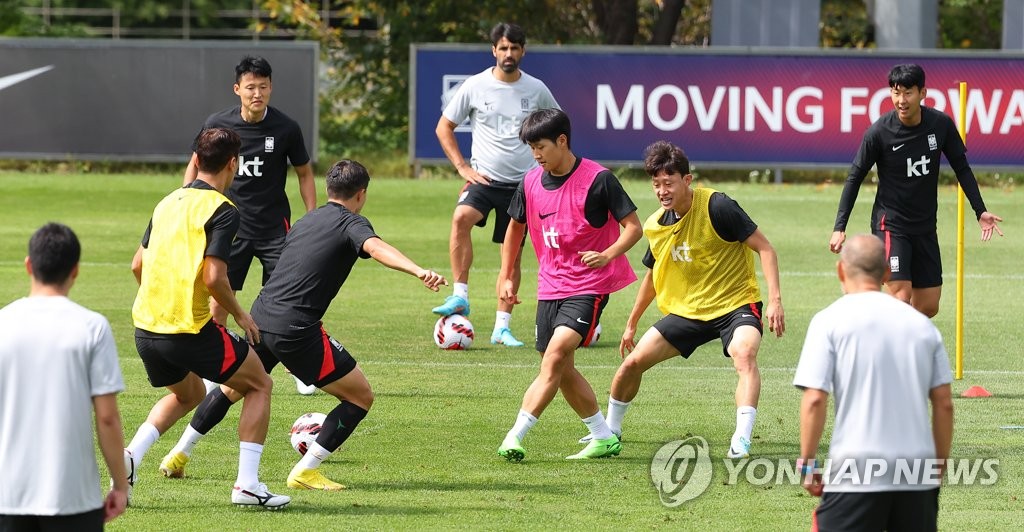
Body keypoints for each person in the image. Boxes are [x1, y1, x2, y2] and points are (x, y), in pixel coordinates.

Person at [158, 160, 447, 491]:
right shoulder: (352, 223)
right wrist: (418, 270)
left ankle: (178, 455)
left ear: (328, 190)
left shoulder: (307, 220)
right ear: (362, 194)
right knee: (360, 397)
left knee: (232, 388)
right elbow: (376, 247)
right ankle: (306, 471)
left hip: (261, 316)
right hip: (296, 330)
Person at [124, 128, 289, 510]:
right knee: (259, 384)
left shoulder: (166, 202)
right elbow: (214, 278)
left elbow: (137, 264)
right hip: (189, 331)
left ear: (195, 160)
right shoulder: (223, 210)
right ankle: (247, 485)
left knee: (191, 393)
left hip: (146, 330)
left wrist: (159, 298)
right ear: (234, 164)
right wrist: (242, 315)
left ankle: (131, 456)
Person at [590, 140, 785, 459]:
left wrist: (775, 300)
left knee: (744, 353)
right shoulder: (655, 225)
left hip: (735, 305)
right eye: (656, 184)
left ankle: (742, 437)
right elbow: (653, 276)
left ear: (687, 180)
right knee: (632, 364)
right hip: (688, 311)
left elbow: (766, 248)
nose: (662, 190)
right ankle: (610, 432)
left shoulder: (717, 206)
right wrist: (631, 323)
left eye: (669, 182)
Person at [496, 108, 641, 461]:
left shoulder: (599, 179)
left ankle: (515, 435)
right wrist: (506, 274)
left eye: (541, 146)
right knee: (560, 369)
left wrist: (608, 254)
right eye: (531, 147)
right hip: (550, 285)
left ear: (562, 141)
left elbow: (634, 228)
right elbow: (515, 228)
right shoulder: (530, 182)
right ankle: (603, 436)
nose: (536, 155)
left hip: (590, 284)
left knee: (556, 356)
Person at [795, 234, 954, 530]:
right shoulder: (921, 326)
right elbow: (944, 403)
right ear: (886, 273)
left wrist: (807, 463)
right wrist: (938, 467)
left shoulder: (829, 321)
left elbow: (815, 398)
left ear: (841, 271)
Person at [184, 56, 317, 394]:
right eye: (250, 87)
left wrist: (313, 215)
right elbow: (196, 164)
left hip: (275, 228)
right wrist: (186, 200)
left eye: (263, 87)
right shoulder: (219, 124)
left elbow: (304, 173)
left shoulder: (287, 128)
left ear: (270, 87)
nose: (257, 93)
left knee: (290, 301)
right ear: (237, 89)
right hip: (230, 226)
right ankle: (219, 366)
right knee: (218, 298)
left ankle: (301, 366)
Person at [830, 63, 1003, 318]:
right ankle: (886, 346)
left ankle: (884, 324)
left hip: (924, 226)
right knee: (900, 298)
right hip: (891, 225)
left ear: (923, 93)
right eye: (895, 92)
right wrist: (839, 226)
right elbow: (855, 177)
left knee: (928, 307)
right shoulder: (879, 132)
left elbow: (962, 169)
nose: (901, 100)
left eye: (908, 93)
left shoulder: (940, 124)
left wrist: (980, 211)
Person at [433, 22, 560, 348]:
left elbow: (559, 126)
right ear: (494, 50)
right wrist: (462, 167)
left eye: (514, 48)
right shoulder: (475, 86)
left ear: (522, 51)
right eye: (503, 48)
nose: (508, 53)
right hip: (484, 178)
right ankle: (460, 295)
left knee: (512, 254)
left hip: (523, 185)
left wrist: (548, 170)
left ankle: (502, 327)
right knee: (461, 218)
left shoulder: (537, 89)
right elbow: (444, 127)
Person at [0, 223, 129, 530]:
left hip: (7, 493)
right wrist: (121, 486)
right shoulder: (92, 327)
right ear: (75, 271)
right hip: (72, 495)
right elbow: (107, 417)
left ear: (29, 265)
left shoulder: (3, 323)